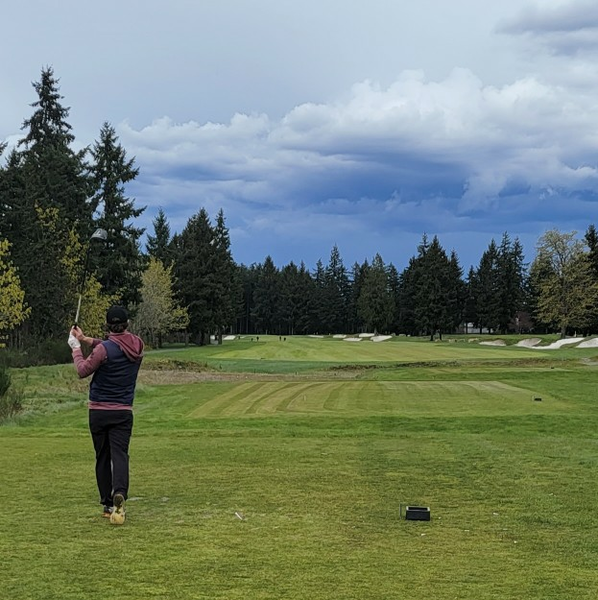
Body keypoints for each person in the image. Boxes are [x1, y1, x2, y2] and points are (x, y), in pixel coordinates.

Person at [68, 306, 144, 524]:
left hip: (99, 411)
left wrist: (76, 348)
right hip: (123, 411)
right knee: (120, 455)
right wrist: (85, 339)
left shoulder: (104, 350)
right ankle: (119, 492)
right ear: (127, 324)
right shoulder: (138, 345)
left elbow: (82, 370)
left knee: (102, 456)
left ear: (108, 325)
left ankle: (107, 504)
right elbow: (115, 345)